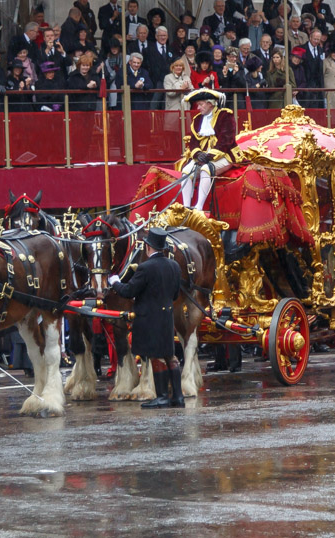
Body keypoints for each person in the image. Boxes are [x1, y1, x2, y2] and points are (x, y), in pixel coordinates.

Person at [108, 228, 183, 408]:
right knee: (170, 356)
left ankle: (163, 396)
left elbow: (129, 291)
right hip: (166, 316)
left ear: (148, 247)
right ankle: (178, 397)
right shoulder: (174, 266)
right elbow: (175, 294)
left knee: (156, 358)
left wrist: (115, 282)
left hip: (149, 318)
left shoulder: (145, 267)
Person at [179, 88, 236, 210]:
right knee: (186, 171)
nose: (198, 108)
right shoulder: (197, 120)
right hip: (202, 156)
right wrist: (198, 154)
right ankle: (186, 207)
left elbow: (226, 140)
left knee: (206, 169)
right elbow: (194, 143)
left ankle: (199, 207)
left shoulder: (225, 115)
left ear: (210, 103)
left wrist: (210, 156)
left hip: (224, 155)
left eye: (200, 104)